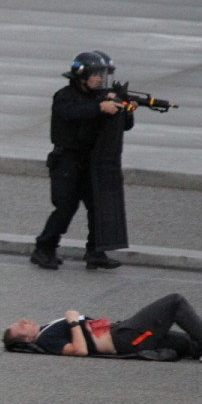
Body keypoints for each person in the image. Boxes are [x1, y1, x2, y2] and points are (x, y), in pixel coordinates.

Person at [30, 51, 133, 271]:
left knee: (98, 206)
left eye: (102, 75)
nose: (99, 79)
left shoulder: (101, 97)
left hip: (92, 160)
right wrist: (100, 108)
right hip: (67, 160)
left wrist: (126, 109)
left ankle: (96, 251)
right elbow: (72, 113)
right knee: (65, 207)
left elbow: (123, 125)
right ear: (81, 74)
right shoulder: (65, 96)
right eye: (96, 74)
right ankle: (44, 248)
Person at [2, 293, 202, 365]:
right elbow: (80, 351)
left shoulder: (47, 329)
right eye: (20, 325)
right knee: (174, 302)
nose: (25, 320)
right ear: (25, 338)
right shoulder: (46, 339)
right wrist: (73, 321)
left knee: (187, 343)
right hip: (125, 339)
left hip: (123, 330)